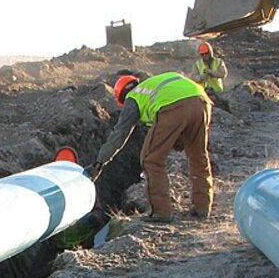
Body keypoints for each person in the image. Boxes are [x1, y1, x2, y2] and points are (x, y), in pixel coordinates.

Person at [91, 71, 214, 222]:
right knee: (198, 157)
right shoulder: (156, 85)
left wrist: (100, 161)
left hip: (173, 106)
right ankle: (202, 208)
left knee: (151, 160)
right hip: (202, 101)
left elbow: (120, 133)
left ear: (123, 95)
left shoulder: (134, 96)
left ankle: (160, 212)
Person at [189, 40, 231, 112]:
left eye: (206, 53)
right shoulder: (197, 64)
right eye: (202, 54)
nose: (205, 56)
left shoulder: (219, 62)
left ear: (210, 52)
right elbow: (193, 77)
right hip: (203, 92)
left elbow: (223, 74)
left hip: (217, 91)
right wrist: (201, 77)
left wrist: (211, 73)